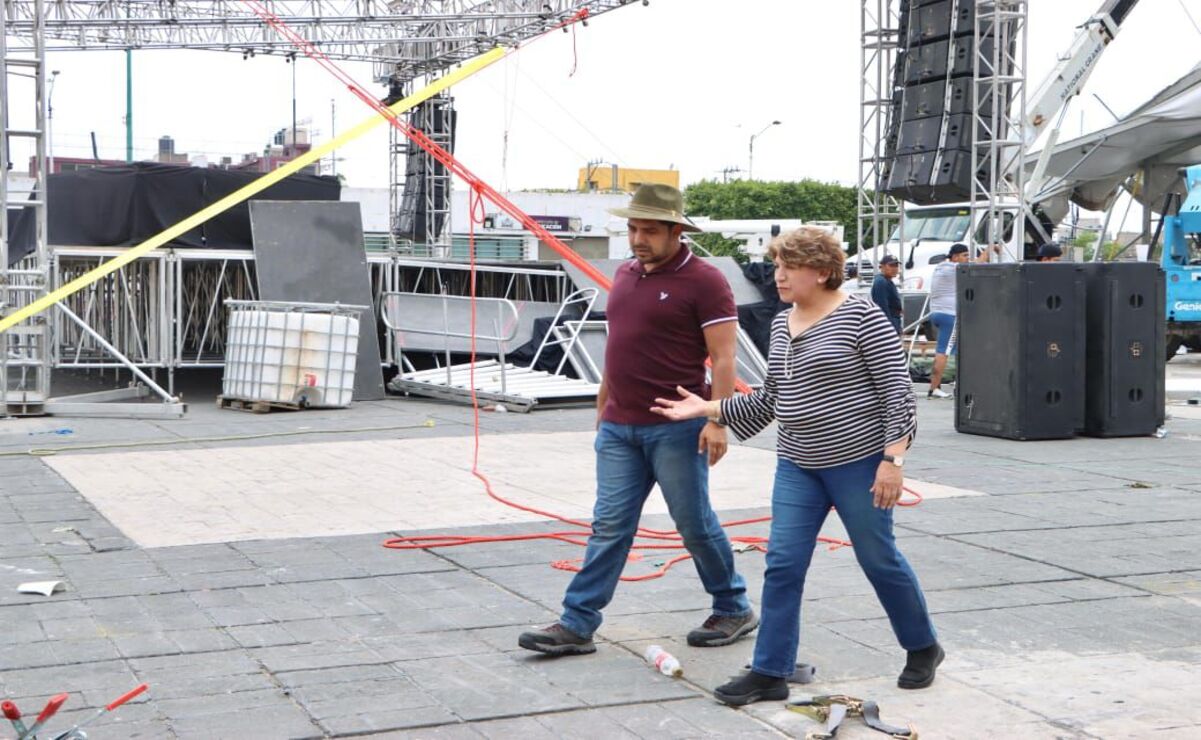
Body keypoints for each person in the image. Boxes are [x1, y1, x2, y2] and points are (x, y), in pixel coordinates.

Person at [650, 226, 942, 705]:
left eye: (790, 267)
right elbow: (772, 399)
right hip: (798, 464)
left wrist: (893, 460)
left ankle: (923, 646)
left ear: (823, 272)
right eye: (778, 266)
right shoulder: (784, 322)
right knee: (783, 564)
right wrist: (708, 408)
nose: (778, 276)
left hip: (859, 464)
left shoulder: (863, 318)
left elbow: (897, 394)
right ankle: (770, 670)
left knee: (878, 559)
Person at [518, 183, 756, 656]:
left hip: (678, 427)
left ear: (675, 231)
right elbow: (617, 349)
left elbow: (725, 360)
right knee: (609, 525)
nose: (637, 238)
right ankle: (577, 622)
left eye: (649, 230)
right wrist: (604, 409)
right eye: (632, 228)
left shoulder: (706, 280)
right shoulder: (626, 274)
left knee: (692, 522)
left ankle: (733, 606)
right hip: (619, 429)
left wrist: (719, 420)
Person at [925, 243, 968, 399]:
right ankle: (934, 388)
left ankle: (947, 385)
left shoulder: (941, 267)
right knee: (943, 352)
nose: (967, 259)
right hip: (949, 315)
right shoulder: (953, 268)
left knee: (949, 350)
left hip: (937, 313)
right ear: (955, 257)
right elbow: (977, 266)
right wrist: (990, 250)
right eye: (965, 255)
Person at [871, 254, 904, 335]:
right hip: (887, 324)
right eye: (891, 265)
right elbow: (882, 307)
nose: (894, 268)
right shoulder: (881, 282)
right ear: (882, 266)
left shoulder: (887, 280)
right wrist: (889, 327)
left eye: (896, 265)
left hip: (892, 321)